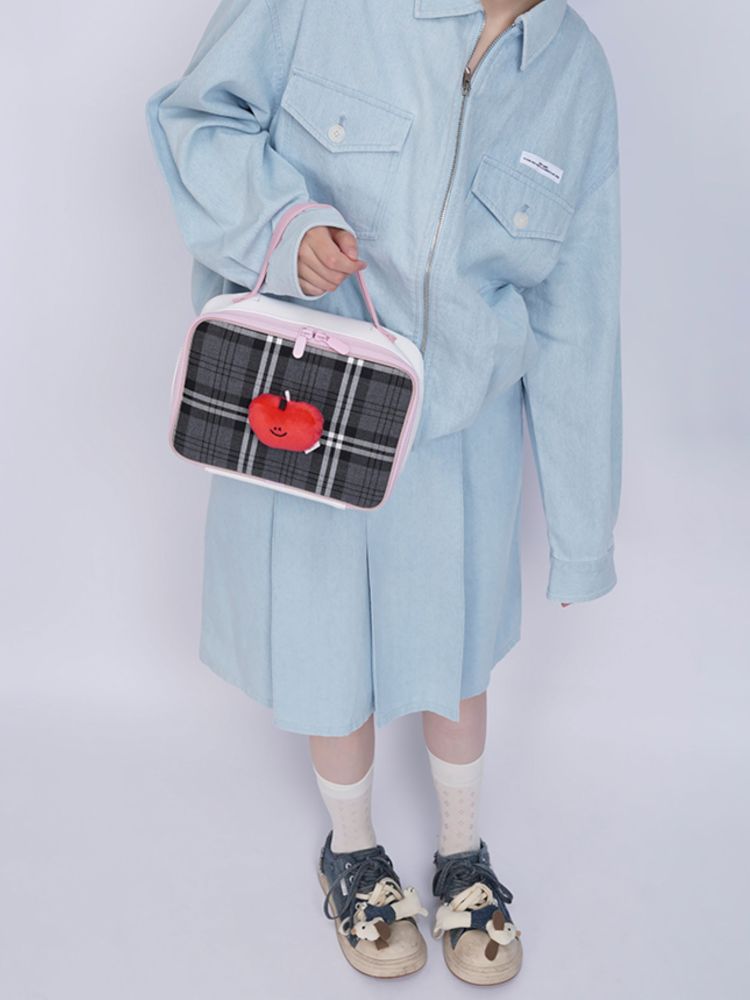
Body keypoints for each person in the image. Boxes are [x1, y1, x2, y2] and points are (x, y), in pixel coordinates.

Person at [145, 0, 622, 984]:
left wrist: (582, 530)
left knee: (456, 656)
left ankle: (461, 853)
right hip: (312, 411)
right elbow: (197, 121)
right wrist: (284, 227)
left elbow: (579, 311)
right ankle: (354, 853)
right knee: (327, 648)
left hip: (460, 434)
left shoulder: (574, 73)